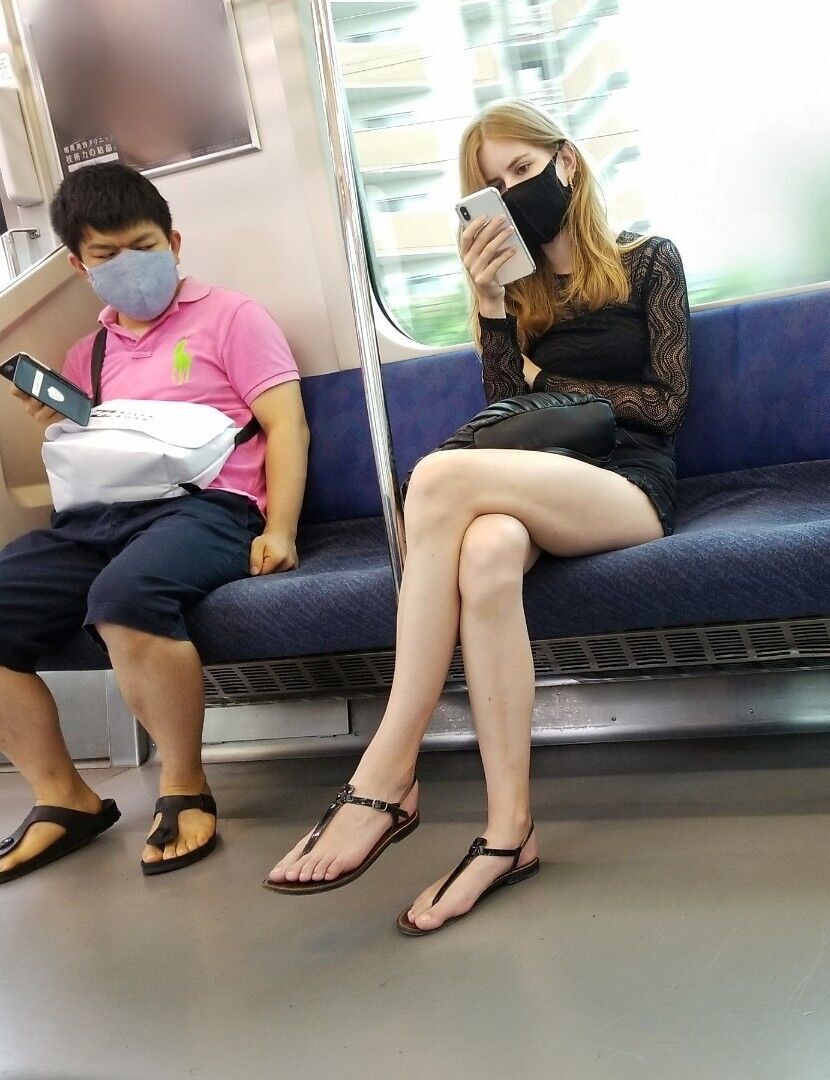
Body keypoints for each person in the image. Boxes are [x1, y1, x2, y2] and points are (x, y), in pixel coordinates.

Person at [266, 99, 690, 935]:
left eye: (523, 170)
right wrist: (491, 304)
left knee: (434, 479)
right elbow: (506, 412)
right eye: (495, 185)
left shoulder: (647, 260)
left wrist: (549, 381)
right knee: (488, 551)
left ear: (566, 162)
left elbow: (666, 404)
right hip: (537, 478)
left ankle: (387, 771)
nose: (514, 190)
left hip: (628, 482)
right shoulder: (516, 292)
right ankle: (508, 835)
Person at [0, 163, 308, 882]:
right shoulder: (88, 354)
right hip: (101, 514)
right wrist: (60, 421)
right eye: (106, 255)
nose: (129, 265)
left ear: (172, 242)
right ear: (79, 266)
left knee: (125, 597)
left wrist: (282, 528)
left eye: (142, 246)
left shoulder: (233, 316)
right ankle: (64, 798)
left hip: (209, 506)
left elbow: (285, 424)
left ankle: (184, 785)